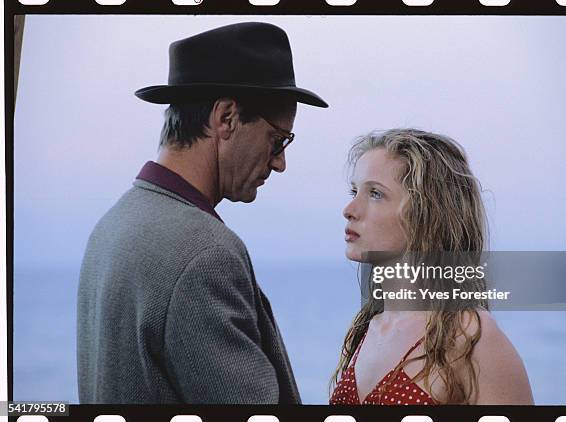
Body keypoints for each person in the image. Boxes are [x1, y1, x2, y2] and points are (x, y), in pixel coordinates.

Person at [77, 22, 328, 404]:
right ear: (226, 117)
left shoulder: (112, 226)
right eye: (278, 140)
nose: (280, 163)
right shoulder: (205, 254)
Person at [330, 129, 533, 405]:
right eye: (355, 190)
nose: (350, 208)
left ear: (426, 213)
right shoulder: (368, 328)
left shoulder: (469, 335)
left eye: (375, 193)